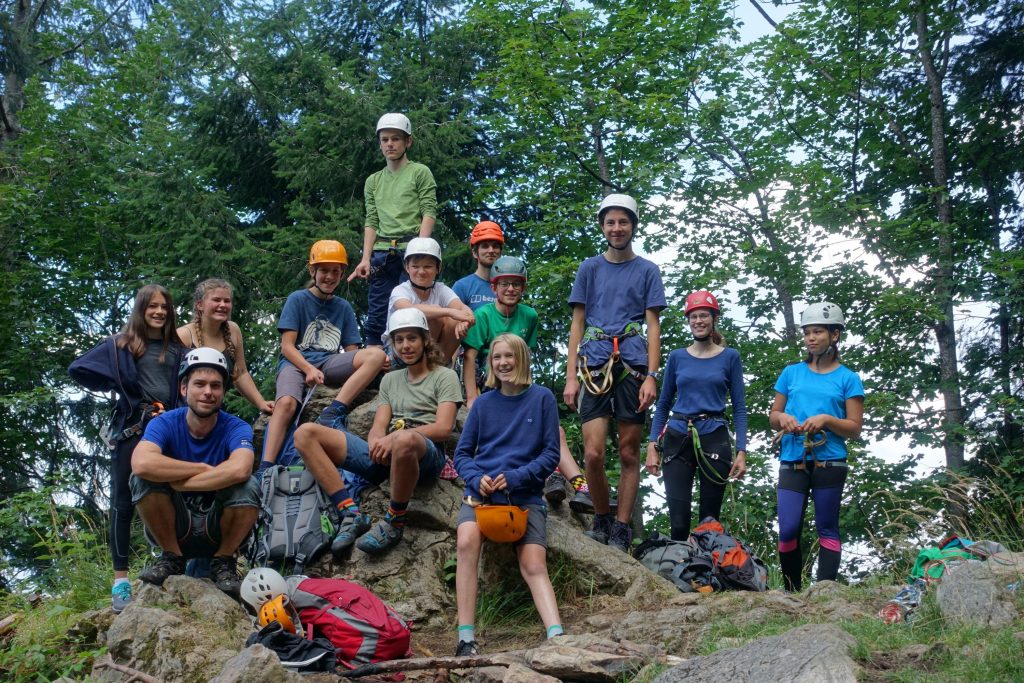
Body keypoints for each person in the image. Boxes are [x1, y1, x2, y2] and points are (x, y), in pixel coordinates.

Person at [294, 308, 462, 556]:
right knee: (306, 433)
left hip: (424, 454)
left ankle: (394, 520)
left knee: (405, 439)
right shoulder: (390, 380)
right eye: (399, 340)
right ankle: (350, 512)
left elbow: (443, 428)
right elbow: (379, 425)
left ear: (425, 340)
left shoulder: (445, 376)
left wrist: (394, 438)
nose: (405, 346)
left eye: (411, 338)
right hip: (388, 452)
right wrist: (376, 442)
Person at [69, 284, 187, 613]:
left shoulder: (176, 348)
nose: (159, 311)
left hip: (171, 427)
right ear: (141, 309)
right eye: (152, 306)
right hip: (134, 427)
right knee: (122, 502)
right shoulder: (121, 345)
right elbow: (79, 368)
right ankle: (120, 581)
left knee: (174, 493)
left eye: (165, 306)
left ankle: (176, 559)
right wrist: (123, 389)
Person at [564, 194, 666, 552]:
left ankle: (621, 528)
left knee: (628, 452)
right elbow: (577, 323)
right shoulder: (589, 268)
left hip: (633, 367)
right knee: (592, 453)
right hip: (593, 364)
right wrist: (571, 376)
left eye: (623, 222)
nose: (617, 228)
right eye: (611, 222)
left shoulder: (647, 270)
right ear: (602, 227)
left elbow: (653, 326)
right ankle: (602, 516)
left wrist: (652, 375)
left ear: (633, 226)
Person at [453, 334, 564, 656]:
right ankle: (465, 638)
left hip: (525, 495)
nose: (502, 363)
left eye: (509, 356)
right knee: (466, 541)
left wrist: (516, 477)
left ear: (521, 359)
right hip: (482, 495)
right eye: (496, 357)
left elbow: (550, 454)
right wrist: (477, 479)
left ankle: (556, 636)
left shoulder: (542, 398)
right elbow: (462, 455)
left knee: (533, 563)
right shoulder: (483, 404)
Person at [461, 255, 594, 512]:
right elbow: (470, 357)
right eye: (504, 284)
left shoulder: (529, 316)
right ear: (494, 288)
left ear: (523, 288)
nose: (510, 289)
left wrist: (529, 394)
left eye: (516, 284)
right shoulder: (484, 315)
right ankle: (557, 478)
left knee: (556, 432)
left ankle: (579, 485)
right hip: (490, 383)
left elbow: (525, 358)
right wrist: (471, 396)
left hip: (519, 385)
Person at [130, 347, 261, 597]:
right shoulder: (164, 423)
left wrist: (181, 482)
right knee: (141, 479)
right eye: (199, 384)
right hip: (176, 527)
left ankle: (224, 563)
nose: (208, 392)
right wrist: (202, 469)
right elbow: (142, 464)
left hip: (217, 528)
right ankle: (171, 558)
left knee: (249, 484)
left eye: (216, 386)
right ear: (184, 388)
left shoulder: (236, 427)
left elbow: (241, 468)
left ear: (223, 392)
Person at [259, 240, 388, 468]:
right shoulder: (297, 299)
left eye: (335, 272)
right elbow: (287, 346)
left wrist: (377, 363)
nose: (329, 277)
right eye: (324, 271)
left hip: (328, 362)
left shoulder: (343, 307)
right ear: (313, 271)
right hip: (295, 364)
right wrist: (308, 369)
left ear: (342, 274)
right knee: (287, 403)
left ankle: (332, 412)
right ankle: (265, 466)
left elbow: (352, 353)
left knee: (375, 355)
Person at [769, 302, 864, 592]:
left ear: (834, 335)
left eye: (818, 332)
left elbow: (855, 427)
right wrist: (782, 418)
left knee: (827, 528)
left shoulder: (848, 378)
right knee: (787, 530)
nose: (810, 338)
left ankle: (825, 593)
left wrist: (826, 420)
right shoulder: (791, 373)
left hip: (830, 460)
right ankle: (791, 591)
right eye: (807, 332)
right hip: (792, 457)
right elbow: (773, 416)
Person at [645, 290, 748, 541]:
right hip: (678, 435)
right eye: (693, 316)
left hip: (714, 435)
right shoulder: (677, 357)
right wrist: (651, 445)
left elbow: (739, 407)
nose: (698, 321)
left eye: (703, 316)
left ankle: (708, 576)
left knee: (709, 522)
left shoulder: (730, 357)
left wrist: (742, 451)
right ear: (688, 320)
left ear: (713, 319)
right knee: (678, 521)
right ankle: (679, 576)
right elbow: (663, 403)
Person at [348, 113, 437, 347]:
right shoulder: (373, 181)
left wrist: (420, 249)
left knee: (411, 313)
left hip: (411, 250)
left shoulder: (419, 172)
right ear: (379, 143)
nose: (390, 144)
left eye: (396, 139)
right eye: (385, 139)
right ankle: (376, 365)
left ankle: (411, 362)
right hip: (381, 253)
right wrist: (365, 258)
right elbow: (372, 221)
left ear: (408, 142)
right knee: (377, 315)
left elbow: (429, 210)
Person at [177, 278, 273, 414]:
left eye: (227, 301)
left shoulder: (233, 330)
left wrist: (261, 403)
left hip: (213, 411)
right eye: (216, 300)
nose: (222, 305)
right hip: (183, 413)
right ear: (200, 305)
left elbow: (240, 374)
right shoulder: (184, 335)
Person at [387, 237, 475, 361]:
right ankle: (425, 368)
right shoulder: (400, 290)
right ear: (407, 267)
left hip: (431, 352)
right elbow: (407, 309)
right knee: (433, 314)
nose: (421, 272)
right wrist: (448, 311)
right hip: (399, 351)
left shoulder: (440, 289)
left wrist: (465, 321)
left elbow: (463, 310)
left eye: (428, 266)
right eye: (415, 266)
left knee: (454, 321)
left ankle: (438, 367)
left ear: (437, 268)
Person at [452, 221, 505, 311]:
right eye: (485, 246)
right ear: (475, 253)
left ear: (500, 252)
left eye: (495, 246)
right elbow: (450, 323)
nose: (491, 250)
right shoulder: (462, 287)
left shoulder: (508, 286)